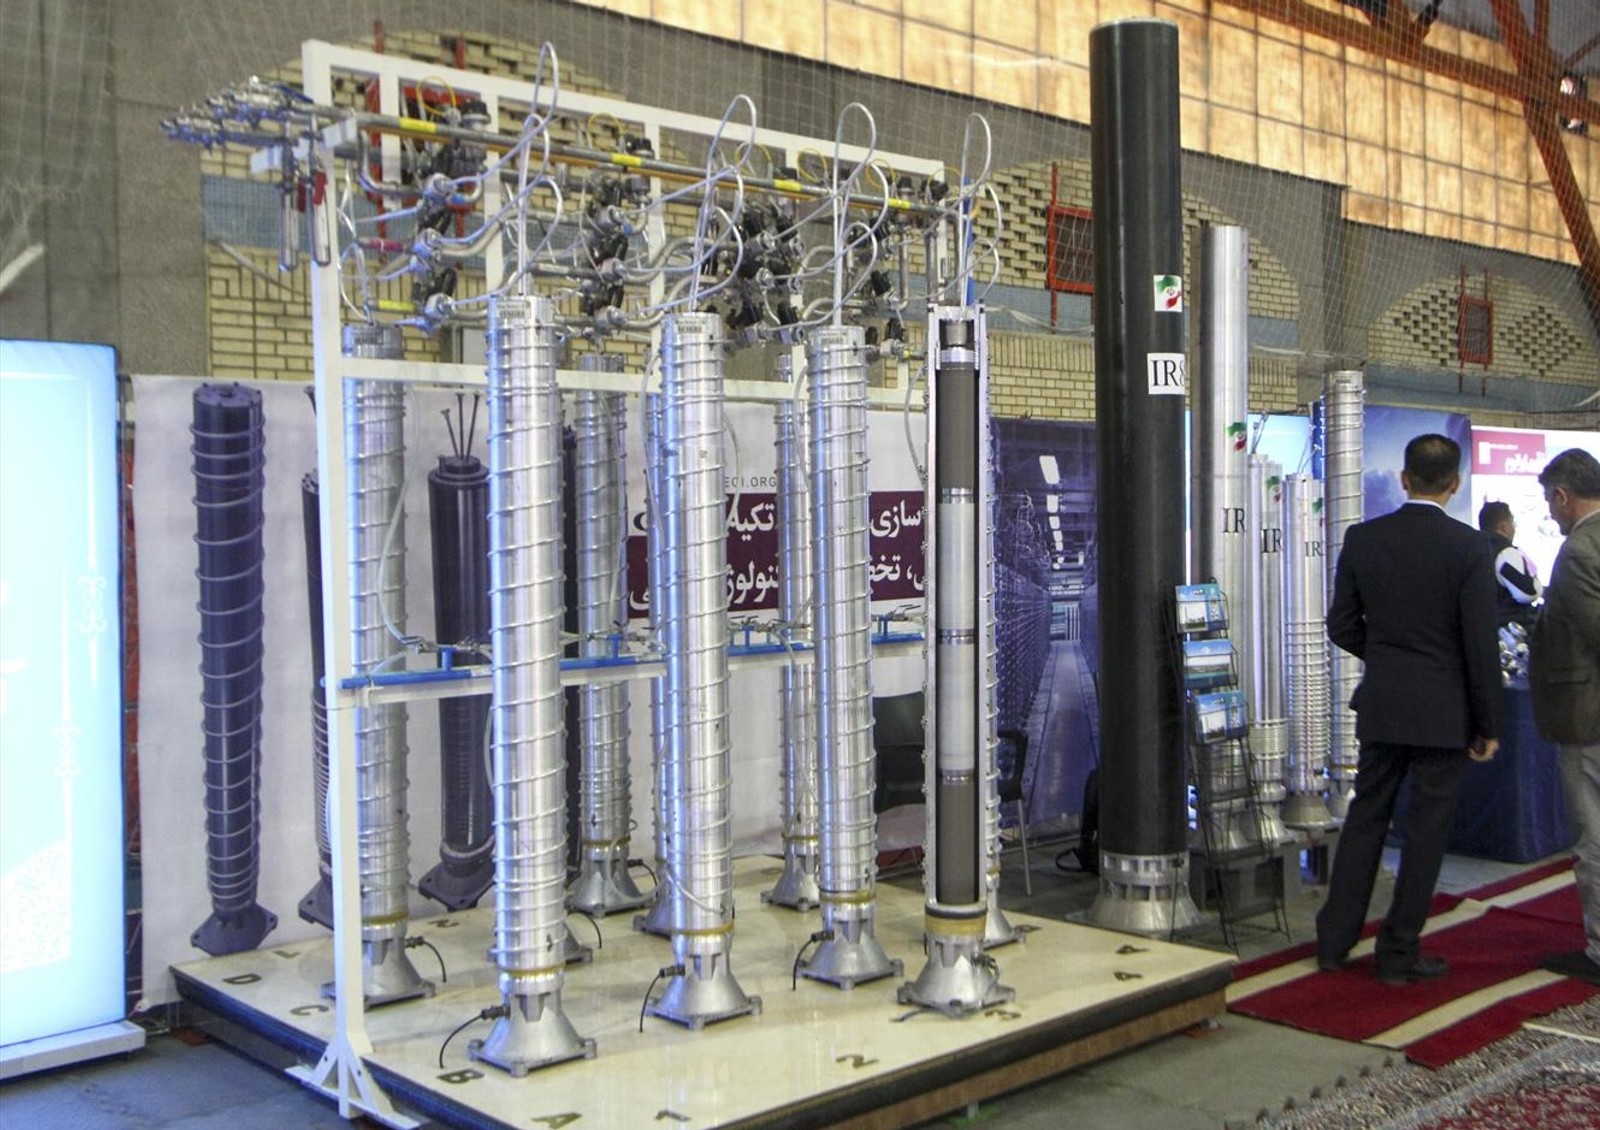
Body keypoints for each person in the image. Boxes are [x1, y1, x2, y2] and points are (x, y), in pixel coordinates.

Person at [1316, 433, 1500, 985]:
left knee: (1365, 820)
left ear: (1403, 478)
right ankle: (1397, 954)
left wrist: (1388, 659)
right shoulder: (1471, 548)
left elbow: (1340, 624)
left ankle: (1333, 942)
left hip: (1383, 706)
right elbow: (1479, 644)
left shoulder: (1364, 538)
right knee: (1425, 833)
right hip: (1444, 713)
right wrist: (1487, 723)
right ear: (1455, 483)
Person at [1528, 447, 1600, 986]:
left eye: (1549, 503)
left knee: (1593, 835)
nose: (1550, 515)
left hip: (1589, 717)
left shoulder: (1578, 550)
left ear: (1562, 496)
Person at [1477, 499, 1541, 627]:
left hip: (1482, 625)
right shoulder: (1506, 553)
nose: (1514, 528)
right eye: (1512, 523)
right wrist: (1537, 584)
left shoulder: (1474, 550)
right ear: (1504, 526)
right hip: (1509, 628)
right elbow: (1527, 592)